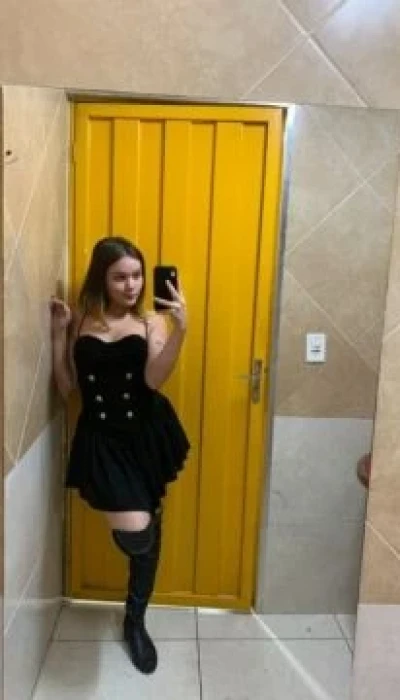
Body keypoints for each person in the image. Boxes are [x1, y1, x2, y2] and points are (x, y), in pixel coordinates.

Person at [49, 236, 190, 675]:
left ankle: (135, 620)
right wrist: (58, 334)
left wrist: (179, 330)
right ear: (102, 279)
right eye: (120, 277)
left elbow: (154, 380)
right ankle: (149, 529)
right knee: (138, 535)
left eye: (137, 275)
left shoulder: (151, 321)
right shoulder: (82, 320)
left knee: (143, 530)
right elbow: (68, 387)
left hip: (146, 433)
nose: (131, 285)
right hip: (102, 438)